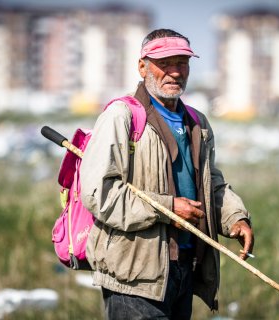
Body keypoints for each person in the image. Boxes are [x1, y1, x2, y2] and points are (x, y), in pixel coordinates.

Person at [80, 28, 254, 320]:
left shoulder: (199, 122)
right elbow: (101, 193)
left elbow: (212, 184)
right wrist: (168, 208)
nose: (175, 73)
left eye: (182, 63)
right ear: (142, 67)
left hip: (184, 268)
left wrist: (236, 217)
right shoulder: (121, 116)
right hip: (134, 274)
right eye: (165, 64)